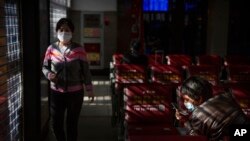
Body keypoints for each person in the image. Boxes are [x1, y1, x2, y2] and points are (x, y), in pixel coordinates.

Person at [42, 18, 94, 141]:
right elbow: (44, 67)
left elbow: (86, 71)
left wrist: (89, 89)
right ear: (57, 32)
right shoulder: (51, 49)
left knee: (72, 125)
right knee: (56, 124)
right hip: (56, 93)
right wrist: (49, 75)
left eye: (67, 30)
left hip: (75, 94)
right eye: (61, 30)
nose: (64, 33)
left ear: (72, 32)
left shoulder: (79, 49)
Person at [175, 76, 249, 141]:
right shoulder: (226, 97)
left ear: (199, 98)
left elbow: (197, 138)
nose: (185, 103)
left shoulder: (198, 115)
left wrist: (185, 122)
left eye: (187, 99)